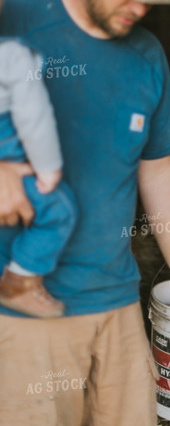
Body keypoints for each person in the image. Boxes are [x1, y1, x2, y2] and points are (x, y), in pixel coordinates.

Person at [0, 0, 170, 426]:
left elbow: (156, 167)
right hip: (27, 311)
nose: (138, 4)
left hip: (116, 300)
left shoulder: (146, 56)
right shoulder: (15, 21)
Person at [0, 36, 77, 318]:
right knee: (59, 210)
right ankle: (17, 284)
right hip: (11, 157)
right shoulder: (12, 55)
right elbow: (34, 117)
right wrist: (48, 168)